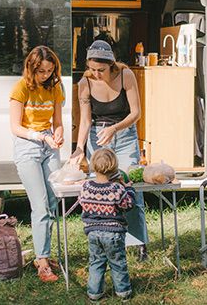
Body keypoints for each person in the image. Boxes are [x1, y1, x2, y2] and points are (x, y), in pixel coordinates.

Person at [70, 40, 149, 260]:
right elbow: (85, 121)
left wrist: (115, 128)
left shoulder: (126, 76)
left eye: (101, 70)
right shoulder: (84, 83)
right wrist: (79, 148)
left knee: (130, 188)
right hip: (98, 138)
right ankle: (107, 244)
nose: (96, 74)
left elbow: (136, 113)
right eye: (92, 69)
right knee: (102, 192)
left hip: (124, 135)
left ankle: (139, 243)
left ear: (111, 65)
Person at [9, 46, 65, 282]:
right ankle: (42, 261)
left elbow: (58, 122)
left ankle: (44, 254)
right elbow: (15, 127)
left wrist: (59, 135)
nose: (45, 75)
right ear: (31, 69)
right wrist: (40, 136)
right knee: (40, 205)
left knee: (52, 201)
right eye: (41, 71)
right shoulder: (20, 88)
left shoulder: (55, 87)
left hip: (49, 145)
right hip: (28, 145)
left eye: (49, 71)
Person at [79, 148, 136, 301]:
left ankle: (94, 293)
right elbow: (129, 204)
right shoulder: (116, 188)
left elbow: (82, 203)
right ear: (114, 168)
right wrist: (129, 188)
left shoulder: (86, 187)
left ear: (93, 166)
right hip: (113, 233)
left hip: (92, 232)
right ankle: (123, 292)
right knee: (117, 263)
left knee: (96, 262)